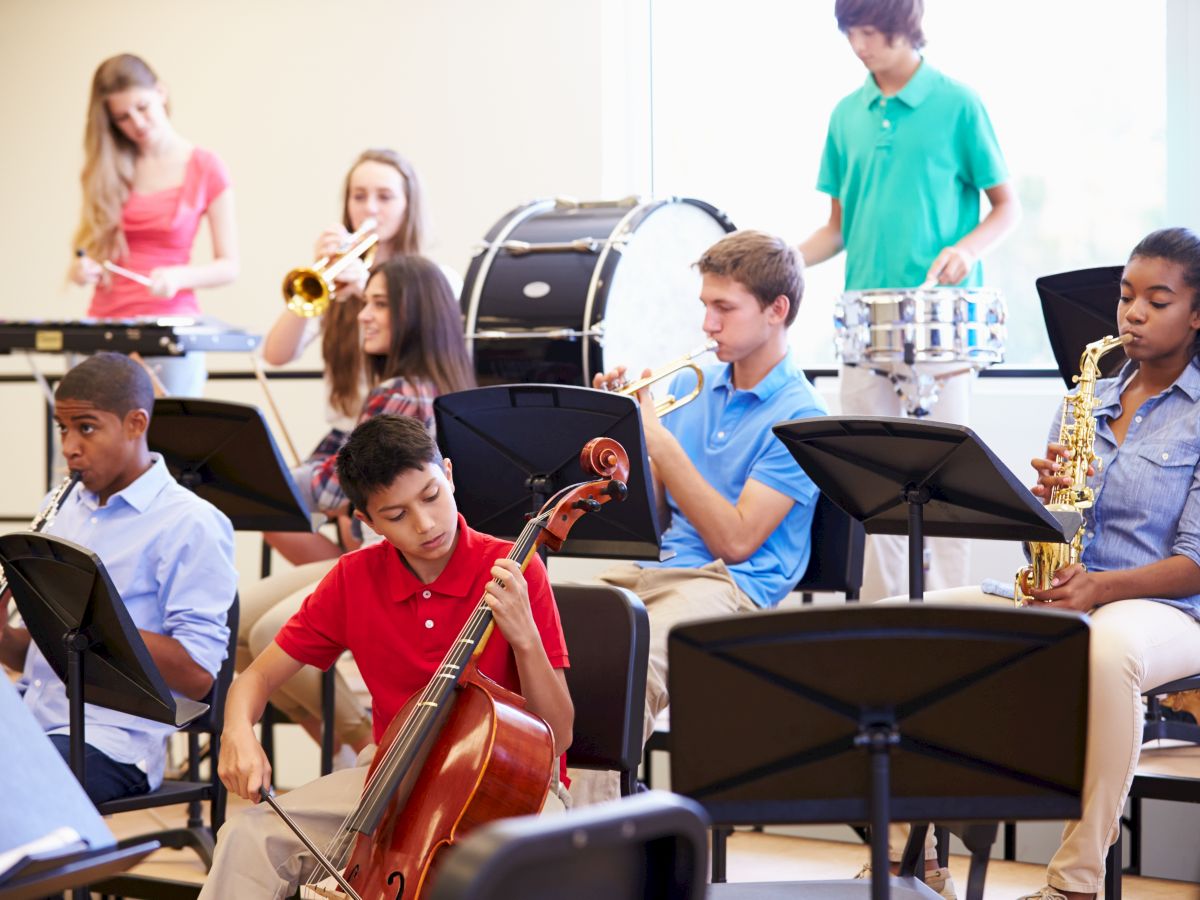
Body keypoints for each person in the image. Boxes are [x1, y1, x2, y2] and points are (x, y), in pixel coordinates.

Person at [913, 228, 1200, 900]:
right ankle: (912, 863)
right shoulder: (1085, 398)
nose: (1133, 313)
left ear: (1196, 315)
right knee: (912, 623)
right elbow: (1044, 541)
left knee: (1107, 652)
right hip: (1076, 592)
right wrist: (1043, 510)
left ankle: (1074, 883)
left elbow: (1195, 562)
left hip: (1168, 609)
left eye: (1157, 301)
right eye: (1126, 297)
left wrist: (1096, 588)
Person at [200, 414, 573, 898]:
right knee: (247, 836)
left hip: (511, 787)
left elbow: (560, 733)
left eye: (431, 496)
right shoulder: (353, 578)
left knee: (493, 875)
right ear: (366, 522)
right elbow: (256, 679)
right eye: (396, 516)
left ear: (449, 474)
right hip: (393, 778)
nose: (424, 524)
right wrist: (237, 732)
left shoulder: (514, 569)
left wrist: (524, 638)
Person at [572, 229, 828, 805]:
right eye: (705, 306)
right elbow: (656, 515)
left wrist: (659, 442)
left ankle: (581, 839)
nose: (708, 325)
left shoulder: (801, 417)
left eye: (724, 308)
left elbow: (735, 541)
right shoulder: (699, 389)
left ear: (776, 310)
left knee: (620, 675)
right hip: (658, 569)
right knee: (540, 638)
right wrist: (623, 436)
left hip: (730, 587)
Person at [797, 0, 1020, 604]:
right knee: (871, 488)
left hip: (941, 326)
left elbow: (1007, 207)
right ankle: (883, 623)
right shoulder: (846, 115)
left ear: (906, 28)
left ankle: (953, 621)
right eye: (851, 33)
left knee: (950, 485)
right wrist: (785, 258)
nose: (860, 46)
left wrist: (967, 250)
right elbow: (837, 229)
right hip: (865, 328)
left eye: (872, 32)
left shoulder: (959, 103)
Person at [241, 255, 475, 760]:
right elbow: (335, 462)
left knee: (263, 633)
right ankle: (347, 748)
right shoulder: (416, 382)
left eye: (379, 305)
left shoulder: (403, 391)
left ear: (416, 315)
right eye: (365, 302)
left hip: (396, 558)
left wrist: (257, 477)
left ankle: (365, 741)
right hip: (375, 551)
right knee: (237, 626)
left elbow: (331, 486)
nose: (363, 315)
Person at [0, 353, 236, 804]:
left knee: (10, 790)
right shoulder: (59, 507)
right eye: (63, 429)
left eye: (86, 428)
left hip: (113, 741)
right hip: (31, 717)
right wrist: (4, 637)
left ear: (135, 424)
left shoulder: (190, 522)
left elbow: (198, 675)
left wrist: (98, 628)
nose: (69, 447)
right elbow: (45, 653)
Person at [260, 149, 454, 540]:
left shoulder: (434, 278)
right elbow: (275, 354)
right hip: (345, 435)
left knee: (358, 528)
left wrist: (366, 288)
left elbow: (418, 353)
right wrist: (320, 273)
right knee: (268, 512)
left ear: (408, 205)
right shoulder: (336, 278)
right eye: (359, 196)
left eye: (385, 196)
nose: (370, 208)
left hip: (398, 436)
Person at [68, 54, 238, 397]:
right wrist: (81, 269)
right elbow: (90, 250)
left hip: (170, 329)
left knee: (173, 427)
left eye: (142, 108)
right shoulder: (104, 170)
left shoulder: (206, 167)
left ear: (161, 92)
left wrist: (178, 277)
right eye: (122, 117)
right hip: (106, 323)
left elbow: (229, 266)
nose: (137, 123)